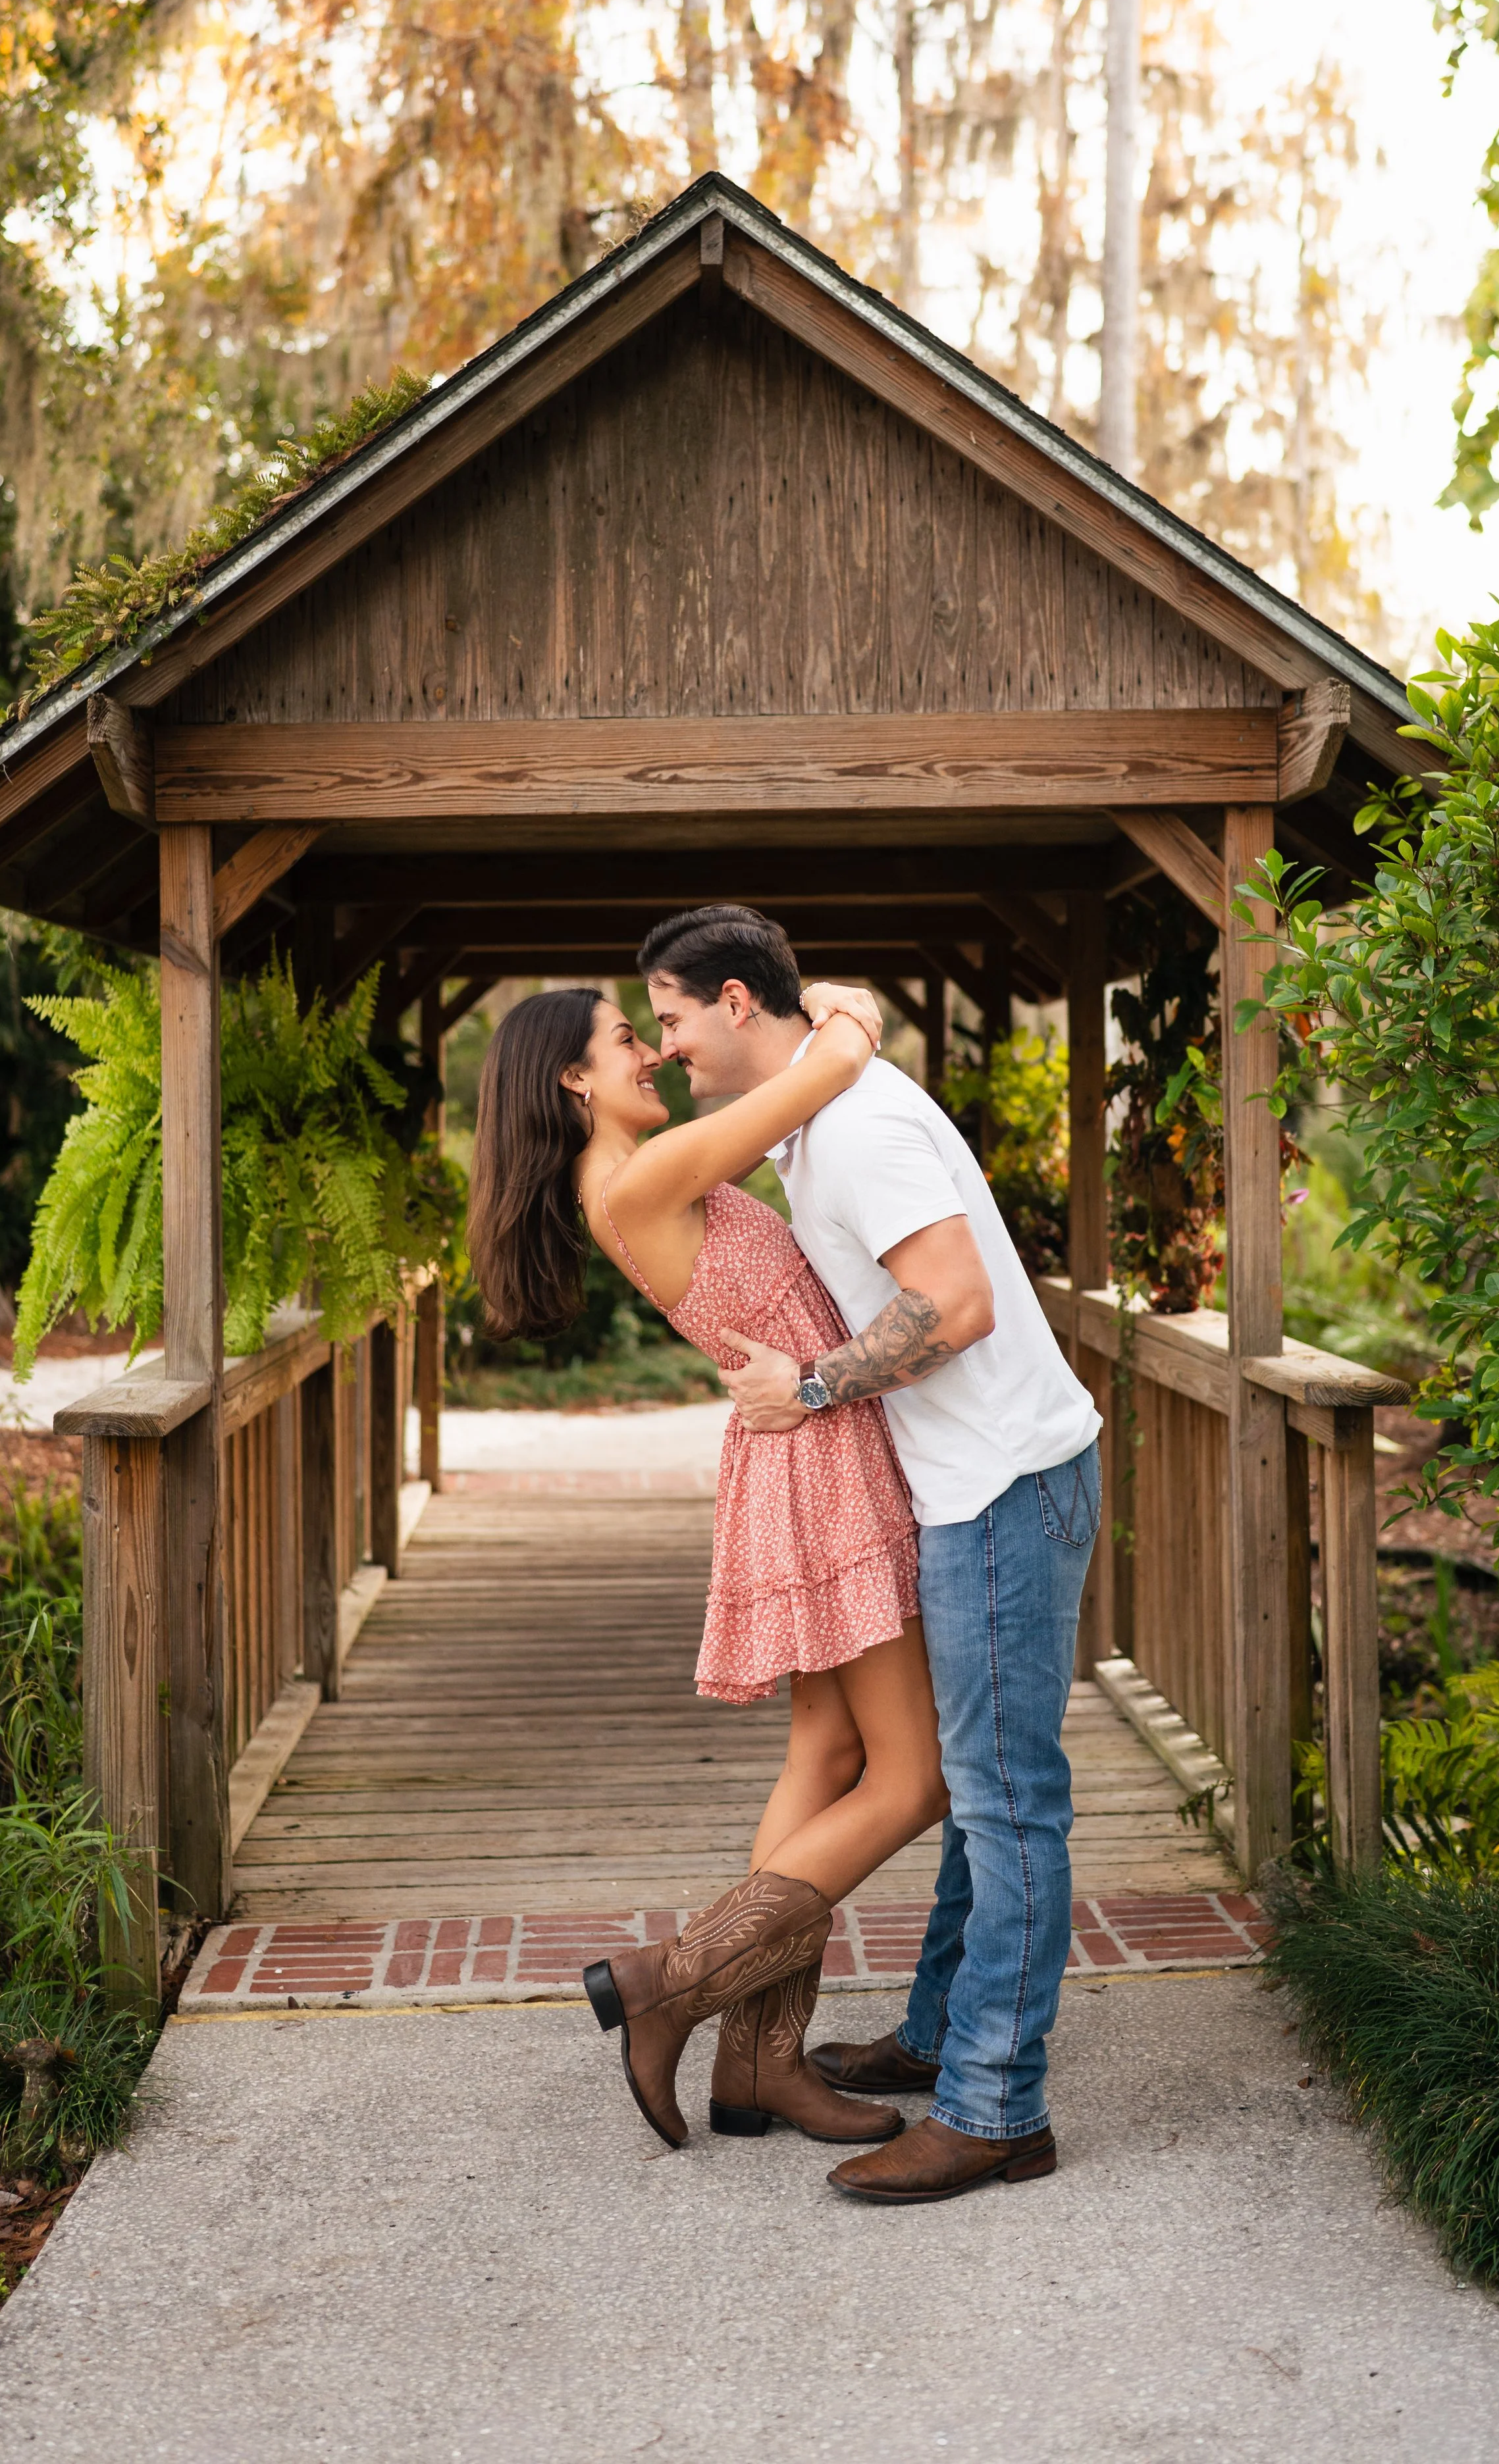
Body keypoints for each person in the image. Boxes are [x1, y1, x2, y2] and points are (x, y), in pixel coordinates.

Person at [641, 904, 1103, 2207]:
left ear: (735, 1004)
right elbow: (830, 1010)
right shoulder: (814, 1110)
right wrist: (839, 1022)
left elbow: (951, 1303)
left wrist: (815, 1385)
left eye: (671, 1019)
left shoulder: (853, 1131)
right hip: (967, 1487)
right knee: (974, 1779)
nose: (666, 1047)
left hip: (1002, 1484)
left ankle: (994, 2112)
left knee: (1006, 1799)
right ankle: (946, 2035)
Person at [467, 969, 951, 2157]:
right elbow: (822, 1075)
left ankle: (757, 2064)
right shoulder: (639, 1176)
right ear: (575, 1079)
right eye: (628, 1040)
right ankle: (672, 1985)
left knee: (830, 1750)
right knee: (914, 1778)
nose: (653, 1055)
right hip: (818, 1460)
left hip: (805, 1448)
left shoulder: (635, 1177)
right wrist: (847, 1011)